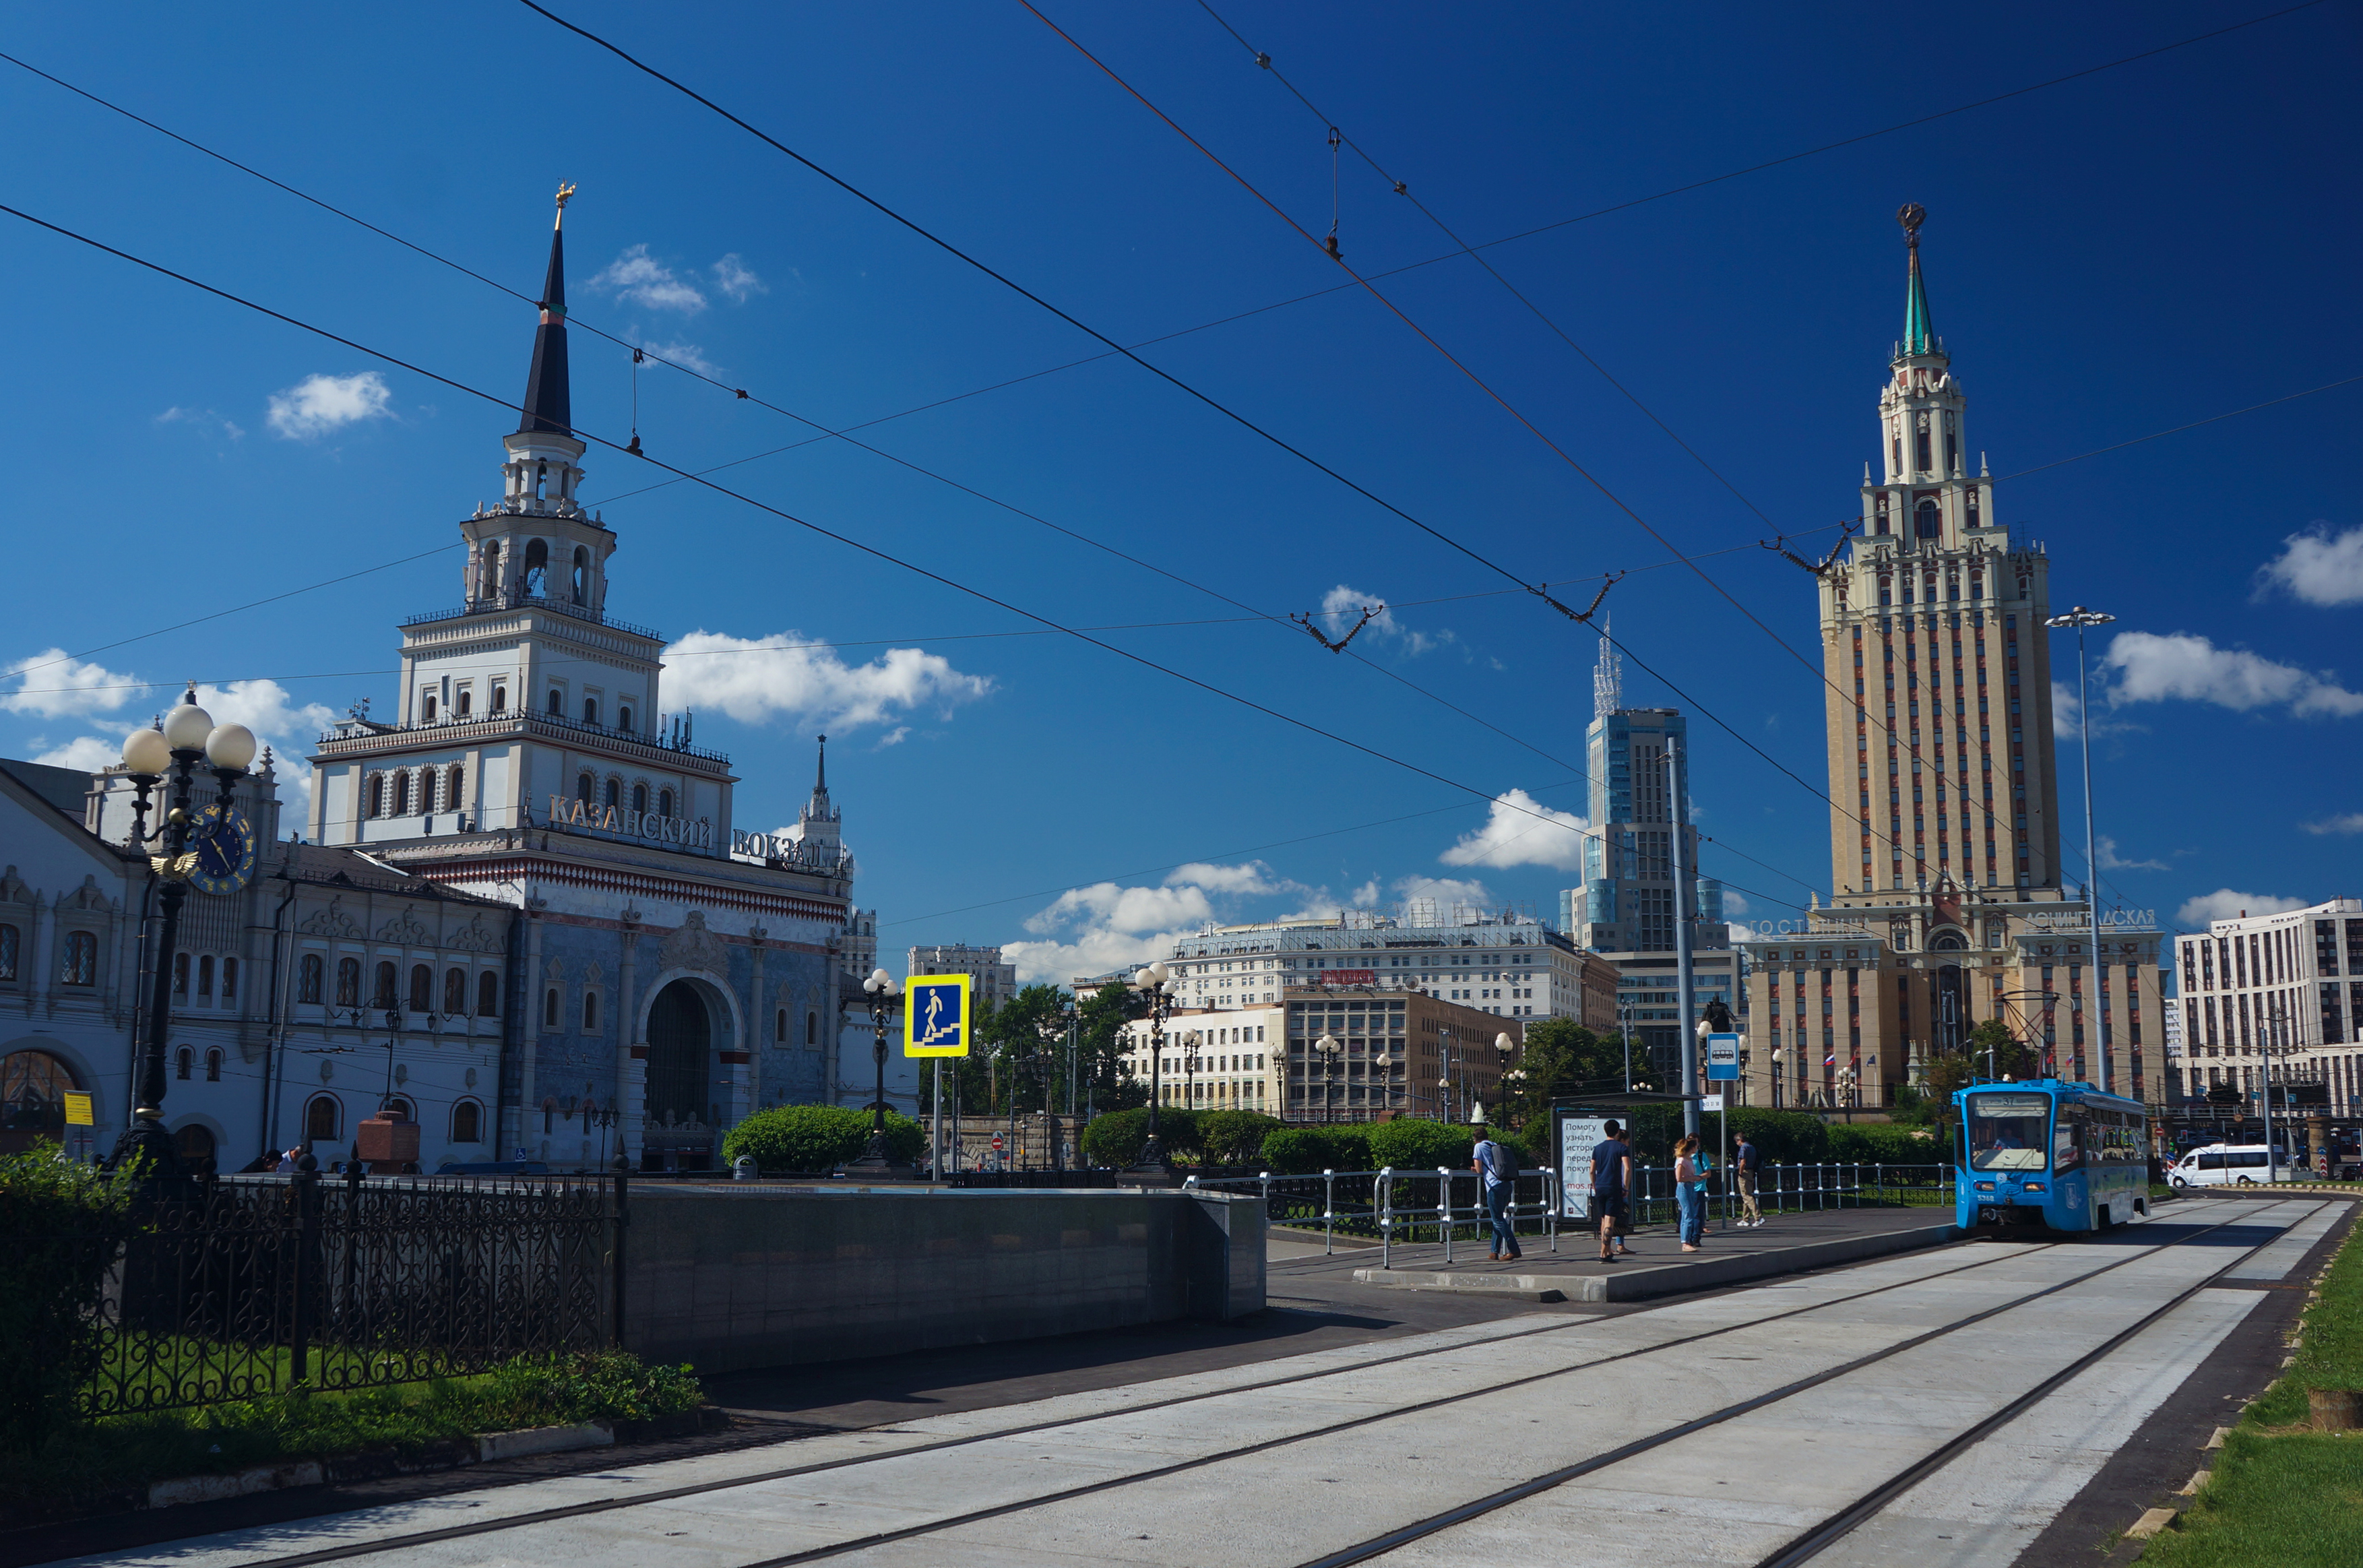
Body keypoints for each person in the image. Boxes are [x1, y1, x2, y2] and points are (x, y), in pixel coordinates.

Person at [1472, 1121, 1522, 1262]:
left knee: (1498, 1219)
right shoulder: (1494, 1145)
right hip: (1506, 1183)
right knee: (1498, 1217)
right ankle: (1494, 1252)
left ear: (1475, 1138)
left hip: (1494, 1185)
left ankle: (1514, 1250)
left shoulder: (1478, 1147)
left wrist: (1476, 1170)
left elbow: (1480, 1169)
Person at [1590, 1119, 1635, 1263]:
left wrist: (1595, 1185)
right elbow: (1627, 1168)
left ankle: (1606, 1250)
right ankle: (1604, 1254)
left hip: (1600, 1186)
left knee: (1603, 1219)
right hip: (1613, 1187)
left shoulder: (1597, 1148)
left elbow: (1592, 1170)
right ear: (1617, 1132)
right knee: (1610, 1221)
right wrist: (1626, 1187)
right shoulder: (1621, 1148)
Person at [1674, 1135, 1707, 1251]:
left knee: (1689, 1214)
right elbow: (1679, 1178)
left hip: (1691, 1186)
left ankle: (1686, 1241)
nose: (1697, 1148)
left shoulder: (1689, 1160)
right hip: (1684, 1187)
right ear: (1692, 1148)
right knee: (1688, 1214)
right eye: (1696, 1147)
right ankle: (1686, 1242)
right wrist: (1694, 1178)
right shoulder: (1682, 1160)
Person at [1734, 1131, 1764, 1227]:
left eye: (1737, 1141)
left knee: (1746, 1196)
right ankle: (1745, 1219)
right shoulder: (1752, 1147)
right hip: (1752, 1172)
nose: (1737, 1143)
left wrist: (1740, 1173)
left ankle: (1758, 1217)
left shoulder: (1743, 1148)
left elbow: (1743, 1162)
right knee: (1747, 1196)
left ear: (1740, 1140)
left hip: (1745, 1172)